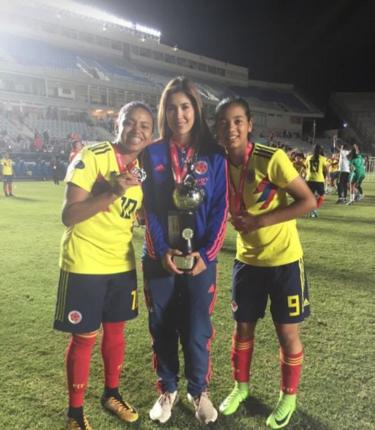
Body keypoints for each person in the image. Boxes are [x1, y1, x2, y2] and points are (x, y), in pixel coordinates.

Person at [215, 97, 316, 430]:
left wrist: (261, 221)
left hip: (284, 261)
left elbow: (307, 201)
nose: (232, 128)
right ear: (217, 128)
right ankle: (241, 387)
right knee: (242, 328)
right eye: (225, 122)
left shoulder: (270, 159)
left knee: (287, 333)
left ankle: (288, 396)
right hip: (247, 262)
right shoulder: (216, 162)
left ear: (250, 125)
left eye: (238, 120)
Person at [53, 101, 154, 430]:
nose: (136, 130)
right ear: (117, 125)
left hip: (120, 263)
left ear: (151, 134)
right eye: (130, 122)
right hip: (85, 261)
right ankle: (75, 414)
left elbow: (135, 213)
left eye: (145, 125)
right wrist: (112, 191)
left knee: (116, 332)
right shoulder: (92, 157)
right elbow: (69, 216)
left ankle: (111, 394)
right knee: (84, 338)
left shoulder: (145, 168)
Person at [142, 77, 228, 425]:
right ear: (165, 111)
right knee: (161, 325)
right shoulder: (153, 153)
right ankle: (167, 389)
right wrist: (162, 249)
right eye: (173, 107)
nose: (179, 114)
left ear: (196, 109)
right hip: (159, 259)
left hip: (201, 258)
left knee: (196, 327)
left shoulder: (214, 154)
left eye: (186, 106)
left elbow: (221, 207)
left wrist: (205, 255)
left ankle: (199, 390)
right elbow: (147, 208)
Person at [305, 144, 328, 218]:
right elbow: (326, 169)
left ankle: (310, 209)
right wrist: (328, 176)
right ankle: (314, 209)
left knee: (310, 196)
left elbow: (306, 166)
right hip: (319, 179)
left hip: (309, 179)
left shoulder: (308, 158)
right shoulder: (322, 158)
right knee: (322, 196)